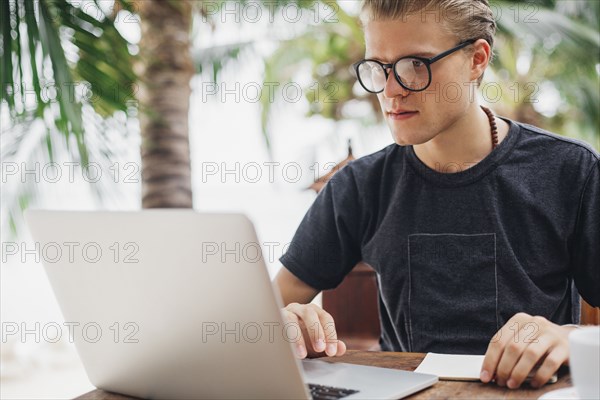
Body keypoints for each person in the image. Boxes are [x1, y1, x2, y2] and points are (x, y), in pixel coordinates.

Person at [274, 0, 599, 391]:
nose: (391, 91)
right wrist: (288, 320)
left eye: (416, 65)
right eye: (379, 67)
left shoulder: (570, 170)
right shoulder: (359, 186)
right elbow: (266, 310)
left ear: (477, 59)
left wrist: (567, 336)